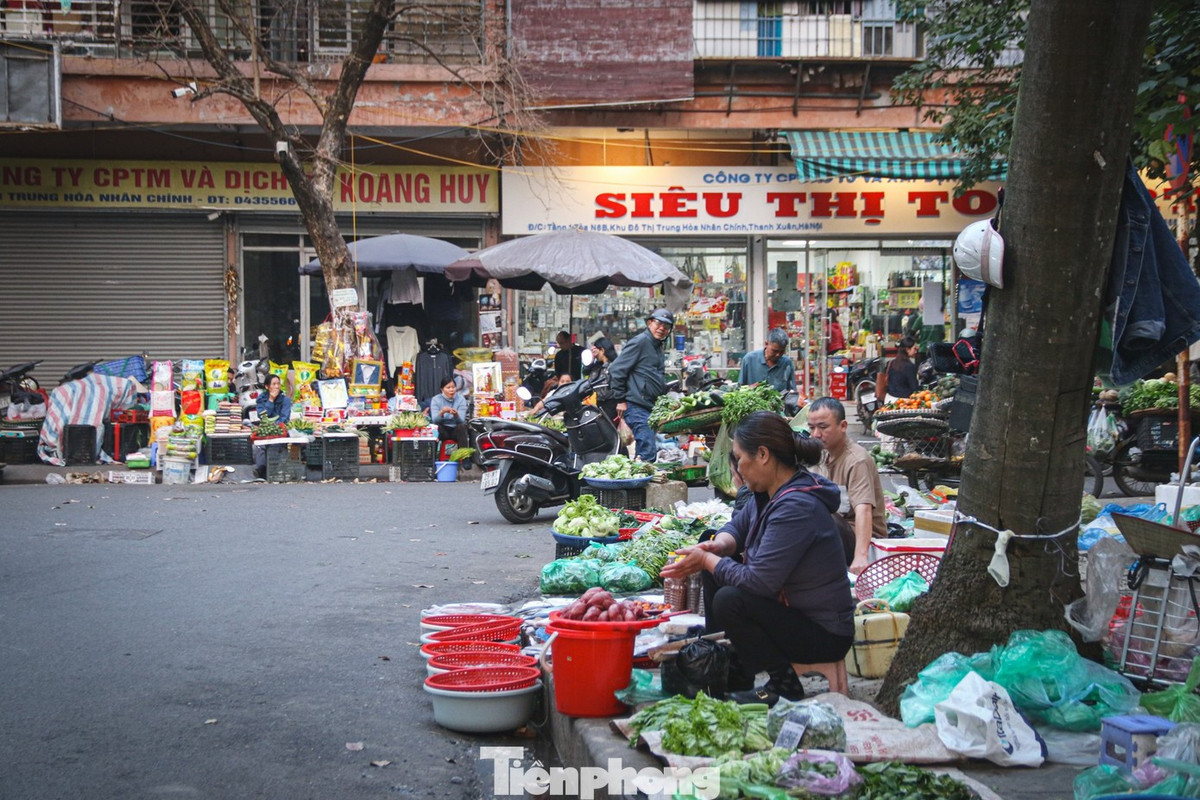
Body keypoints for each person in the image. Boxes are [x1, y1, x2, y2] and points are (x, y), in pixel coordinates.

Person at [660, 411, 853, 705]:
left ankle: (783, 684)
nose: (738, 468)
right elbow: (736, 526)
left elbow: (760, 582)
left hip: (823, 633)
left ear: (762, 455)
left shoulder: (796, 506)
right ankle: (727, 664)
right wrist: (719, 546)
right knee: (713, 553)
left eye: (739, 458)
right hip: (790, 613)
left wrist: (708, 561)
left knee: (730, 598)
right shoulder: (770, 492)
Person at [807, 396, 888, 576]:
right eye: (811, 428)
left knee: (821, 515)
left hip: (861, 539)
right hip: (833, 534)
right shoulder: (821, 456)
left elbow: (863, 510)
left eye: (823, 427)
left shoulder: (856, 460)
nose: (816, 434)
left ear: (843, 426)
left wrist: (861, 556)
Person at [608, 308, 673, 462]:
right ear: (649, 323)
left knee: (645, 450)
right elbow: (616, 370)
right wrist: (620, 400)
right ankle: (641, 483)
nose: (662, 328)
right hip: (636, 405)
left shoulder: (657, 346)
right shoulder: (640, 342)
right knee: (648, 450)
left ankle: (639, 480)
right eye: (659, 323)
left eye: (666, 326)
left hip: (648, 405)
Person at [253, 374, 293, 479]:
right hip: (266, 430)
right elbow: (262, 416)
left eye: (278, 383)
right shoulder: (261, 399)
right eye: (274, 384)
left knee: (277, 446)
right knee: (259, 446)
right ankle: (261, 470)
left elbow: (284, 417)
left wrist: (274, 426)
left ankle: (275, 470)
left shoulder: (285, 400)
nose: (277, 386)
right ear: (267, 386)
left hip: (279, 430)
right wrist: (270, 400)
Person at [738, 328, 795, 393]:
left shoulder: (787, 363)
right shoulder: (749, 359)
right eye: (774, 351)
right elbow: (740, 388)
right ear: (766, 343)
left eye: (782, 351)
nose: (778, 355)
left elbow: (792, 391)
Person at [429, 376, 469, 449]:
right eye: (448, 387)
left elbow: (462, 420)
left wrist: (456, 415)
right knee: (436, 427)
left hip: (455, 429)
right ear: (442, 389)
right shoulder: (436, 399)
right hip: (443, 429)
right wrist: (442, 412)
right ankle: (433, 457)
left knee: (462, 427)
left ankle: (463, 457)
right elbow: (434, 420)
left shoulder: (461, 399)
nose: (451, 390)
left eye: (453, 387)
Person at [586, 336, 619, 422]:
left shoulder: (614, 365)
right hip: (600, 402)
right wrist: (591, 359)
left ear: (602, 350)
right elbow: (589, 377)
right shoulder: (597, 367)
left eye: (596, 349)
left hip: (612, 403)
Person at [883, 335, 920, 400]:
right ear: (907, 349)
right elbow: (914, 388)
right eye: (914, 348)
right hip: (903, 401)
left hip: (889, 398)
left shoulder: (890, 363)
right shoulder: (910, 367)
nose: (916, 351)